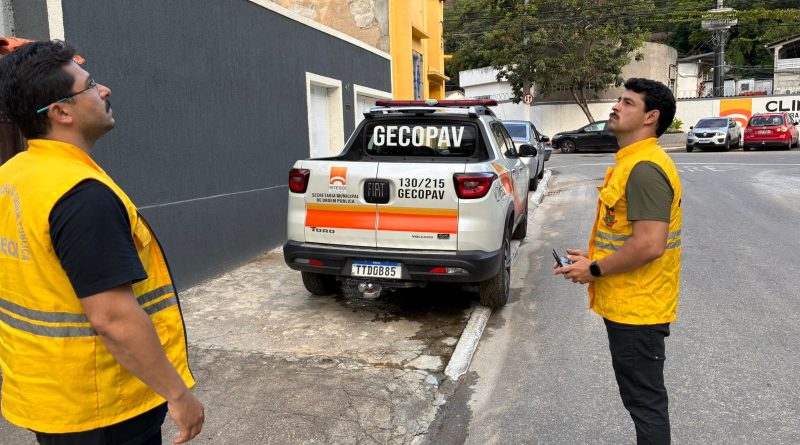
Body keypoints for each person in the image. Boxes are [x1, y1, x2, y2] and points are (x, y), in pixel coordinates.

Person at [0, 41, 204, 444]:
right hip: (103, 406)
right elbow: (112, 317)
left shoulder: (13, 176)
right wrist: (177, 394)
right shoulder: (80, 195)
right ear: (61, 112)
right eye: (90, 85)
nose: (105, 90)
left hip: (51, 396)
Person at [554, 78, 681, 445]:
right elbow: (631, 236)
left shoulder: (644, 168)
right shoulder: (632, 163)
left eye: (627, 103)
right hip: (631, 303)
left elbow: (650, 244)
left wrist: (593, 269)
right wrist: (593, 258)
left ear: (650, 117)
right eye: (618, 100)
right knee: (642, 399)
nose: (615, 107)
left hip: (638, 308)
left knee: (645, 403)